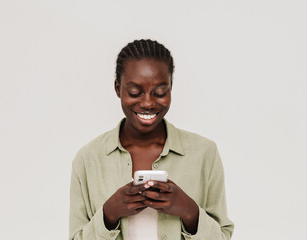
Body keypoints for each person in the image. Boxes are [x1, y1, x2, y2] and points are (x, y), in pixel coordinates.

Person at [69, 39, 234, 240]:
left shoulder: (205, 153)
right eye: (135, 92)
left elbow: (223, 236)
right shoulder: (88, 159)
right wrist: (108, 214)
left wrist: (190, 211)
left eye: (159, 92)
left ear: (171, 88)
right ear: (117, 88)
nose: (148, 102)